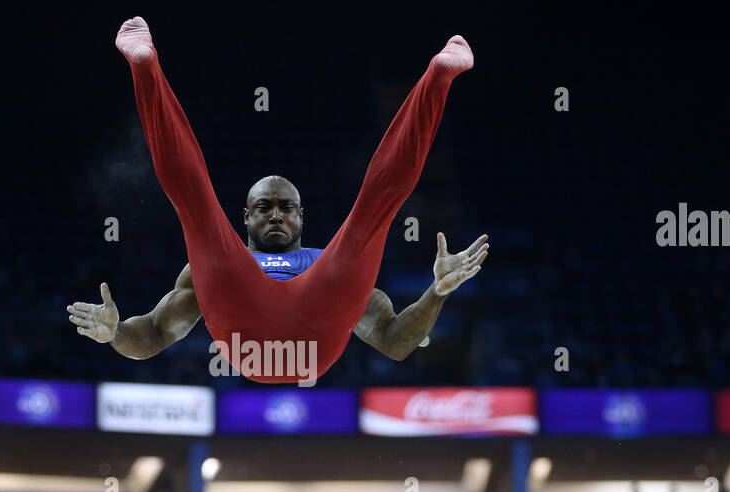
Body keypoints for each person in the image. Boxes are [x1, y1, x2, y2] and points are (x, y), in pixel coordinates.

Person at [68, 17, 487, 384]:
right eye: (264, 207)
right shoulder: (207, 272)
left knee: (374, 210)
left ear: (302, 218)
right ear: (245, 217)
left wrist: (437, 291)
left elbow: (395, 341)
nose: (275, 215)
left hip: (314, 318)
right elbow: (156, 334)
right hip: (247, 310)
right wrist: (117, 333)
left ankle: (439, 76)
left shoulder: (325, 262)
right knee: (195, 203)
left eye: (286, 208)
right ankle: (145, 65)